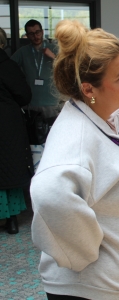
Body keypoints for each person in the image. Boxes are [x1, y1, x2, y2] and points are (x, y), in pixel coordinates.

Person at [30, 20, 119, 300]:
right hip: (96, 289)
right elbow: (49, 192)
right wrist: (84, 251)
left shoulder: (105, 119)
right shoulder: (76, 137)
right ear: (89, 90)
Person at [0, 27, 33, 234]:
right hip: (7, 124)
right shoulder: (8, 66)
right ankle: (12, 220)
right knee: (9, 168)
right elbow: (24, 95)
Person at [11, 19, 59, 132]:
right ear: (27, 35)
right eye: (31, 34)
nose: (35, 36)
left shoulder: (54, 48)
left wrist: (53, 57)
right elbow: (9, 67)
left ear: (42, 32)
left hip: (52, 102)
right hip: (31, 103)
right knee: (34, 139)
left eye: (37, 32)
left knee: (53, 137)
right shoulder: (23, 51)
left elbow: (68, 68)